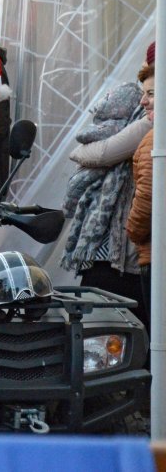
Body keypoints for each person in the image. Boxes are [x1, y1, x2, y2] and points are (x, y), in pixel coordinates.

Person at [62, 77, 149, 323]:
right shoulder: (135, 117)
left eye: (151, 92)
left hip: (128, 254)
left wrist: (80, 153)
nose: (146, 99)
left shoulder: (146, 121)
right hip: (110, 251)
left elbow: (102, 153)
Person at [126, 61, 157, 318]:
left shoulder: (155, 138)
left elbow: (147, 197)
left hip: (157, 256)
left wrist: (133, 232)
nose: (143, 102)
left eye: (152, 93)